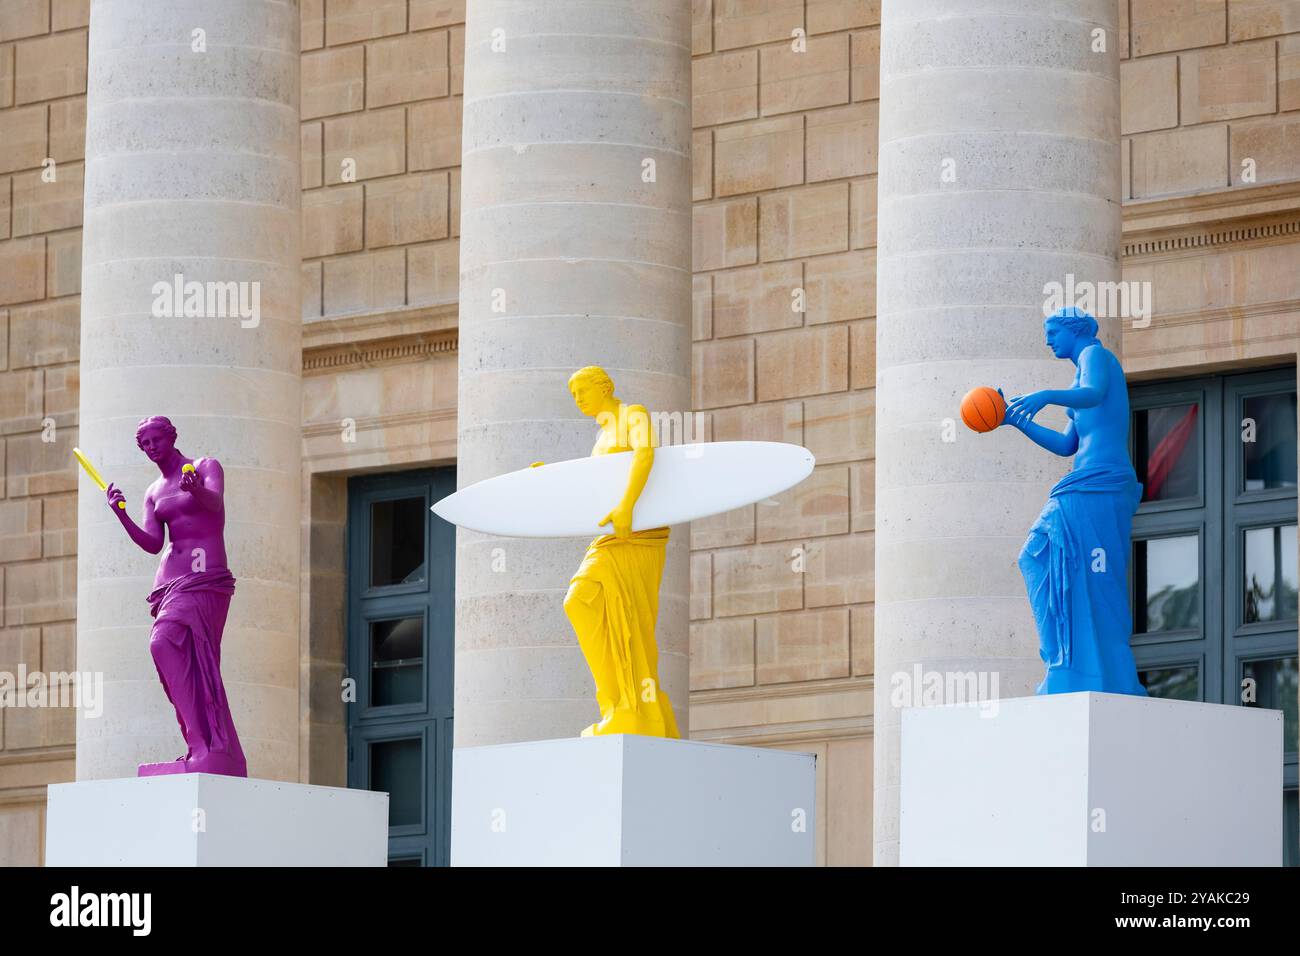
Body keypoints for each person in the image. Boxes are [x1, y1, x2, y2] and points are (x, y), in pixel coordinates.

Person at [1002, 307, 1147, 696]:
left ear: (1075, 330)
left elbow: (1094, 394)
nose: (1048, 340)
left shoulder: (1095, 357)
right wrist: (1017, 421)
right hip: (1082, 482)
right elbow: (1067, 444)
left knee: (1092, 575)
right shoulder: (1079, 372)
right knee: (1040, 556)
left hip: (1103, 482)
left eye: (1053, 332)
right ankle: (1066, 661)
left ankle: (1101, 673)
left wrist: (1045, 395)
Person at [532, 366, 681, 737]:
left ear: (604, 387)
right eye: (574, 395)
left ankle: (633, 710)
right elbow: (595, 487)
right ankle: (616, 704)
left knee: (634, 621)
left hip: (639, 534)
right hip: (613, 535)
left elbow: (646, 456)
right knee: (580, 601)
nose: (578, 400)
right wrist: (551, 479)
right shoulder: (600, 438)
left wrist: (627, 506)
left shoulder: (634, 415)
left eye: (582, 391)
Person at [106, 416, 249, 775]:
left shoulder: (204, 466)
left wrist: (196, 489)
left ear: (171, 438)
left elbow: (214, 504)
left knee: (198, 657)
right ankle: (198, 743)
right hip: (172, 580)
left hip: (206, 578)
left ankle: (212, 746)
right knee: (165, 648)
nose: (152, 448)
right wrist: (121, 515)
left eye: (157, 440)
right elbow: (154, 543)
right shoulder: (154, 491)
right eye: (146, 444)